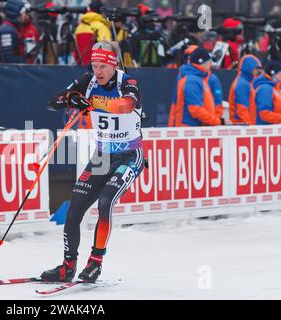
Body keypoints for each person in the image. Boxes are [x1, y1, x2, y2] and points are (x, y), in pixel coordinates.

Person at [41, 41, 145, 283]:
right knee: (74, 209)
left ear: (114, 65)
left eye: (102, 67)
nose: (97, 72)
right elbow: (52, 101)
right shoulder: (87, 81)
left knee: (106, 201)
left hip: (129, 156)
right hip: (102, 157)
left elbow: (124, 106)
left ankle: (95, 262)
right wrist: (71, 99)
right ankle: (68, 266)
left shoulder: (127, 82)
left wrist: (91, 102)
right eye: (94, 65)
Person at [168, 45, 223, 126]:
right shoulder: (192, 80)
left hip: (197, 128)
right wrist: (215, 121)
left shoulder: (198, 78)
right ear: (202, 62)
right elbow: (195, 108)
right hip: (189, 130)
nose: (210, 64)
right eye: (208, 61)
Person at [74, 0, 111, 65]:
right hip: (98, 70)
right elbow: (106, 49)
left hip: (82, 69)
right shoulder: (101, 26)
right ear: (102, 11)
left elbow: (75, 52)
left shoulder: (79, 27)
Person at [228, 55, 263, 125]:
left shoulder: (245, 82)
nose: (258, 71)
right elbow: (241, 109)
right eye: (256, 69)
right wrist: (250, 126)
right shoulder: (242, 84)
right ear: (249, 68)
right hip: (242, 126)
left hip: (244, 125)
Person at [250, 60, 281, 125]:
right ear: (273, 73)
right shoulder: (265, 89)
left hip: (272, 130)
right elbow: (264, 114)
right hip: (264, 131)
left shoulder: (274, 87)